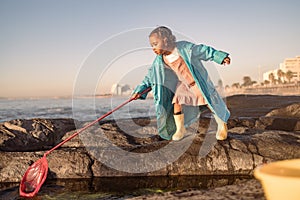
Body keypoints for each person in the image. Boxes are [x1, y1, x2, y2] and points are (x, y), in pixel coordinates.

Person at [132, 26, 231, 141]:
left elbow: (203, 50)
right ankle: (180, 128)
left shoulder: (184, 48)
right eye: (151, 46)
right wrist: (140, 91)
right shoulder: (160, 60)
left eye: (155, 44)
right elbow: (150, 76)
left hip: (197, 82)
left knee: (210, 102)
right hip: (183, 85)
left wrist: (219, 57)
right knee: (177, 102)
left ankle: (222, 124)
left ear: (165, 40)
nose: (153, 48)